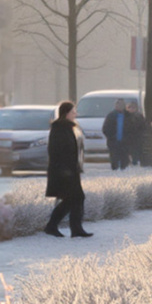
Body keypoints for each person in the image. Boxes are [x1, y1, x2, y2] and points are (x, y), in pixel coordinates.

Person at [44, 101, 91, 238]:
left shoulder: (68, 128)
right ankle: (57, 227)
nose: (75, 114)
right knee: (74, 198)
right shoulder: (59, 128)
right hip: (63, 172)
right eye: (73, 112)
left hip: (70, 170)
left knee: (74, 198)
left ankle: (69, 228)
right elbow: (56, 151)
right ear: (66, 113)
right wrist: (65, 170)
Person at [101, 99, 130, 171]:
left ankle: (124, 171)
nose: (119, 106)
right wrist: (111, 137)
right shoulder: (111, 116)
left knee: (125, 160)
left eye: (121, 105)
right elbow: (105, 129)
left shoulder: (128, 116)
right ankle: (114, 170)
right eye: (118, 104)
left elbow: (133, 128)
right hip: (113, 142)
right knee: (114, 159)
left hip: (125, 142)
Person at [122, 101, 147, 168]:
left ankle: (135, 163)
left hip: (136, 139)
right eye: (129, 107)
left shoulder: (139, 116)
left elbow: (143, 127)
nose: (131, 109)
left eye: (133, 107)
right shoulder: (124, 116)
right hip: (127, 138)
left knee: (135, 152)